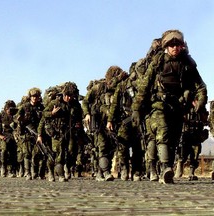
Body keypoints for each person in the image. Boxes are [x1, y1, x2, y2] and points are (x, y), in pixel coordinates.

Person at [131, 29, 208, 184]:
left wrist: (201, 101)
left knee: (174, 139)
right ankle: (165, 167)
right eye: (172, 45)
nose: (175, 48)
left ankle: (166, 169)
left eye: (177, 44)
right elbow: (144, 86)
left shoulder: (187, 64)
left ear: (182, 46)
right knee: (162, 133)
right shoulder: (158, 62)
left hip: (178, 107)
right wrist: (136, 108)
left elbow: (200, 86)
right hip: (158, 105)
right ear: (166, 46)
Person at [82, 66, 126, 181]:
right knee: (102, 146)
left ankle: (100, 172)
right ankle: (106, 172)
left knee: (111, 148)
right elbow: (86, 101)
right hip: (99, 122)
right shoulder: (98, 88)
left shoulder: (119, 89)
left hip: (113, 123)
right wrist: (87, 114)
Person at [37, 82, 83, 182]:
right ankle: (54, 173)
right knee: (58, 154)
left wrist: (80, 132)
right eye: (67, 95)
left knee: (71, 152)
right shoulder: (55, 103)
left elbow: (79, 118)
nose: (69, 98)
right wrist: (52, 113)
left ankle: (66, 168)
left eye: (71, 96)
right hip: (57, 133)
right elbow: (44, 115)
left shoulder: (76, 105)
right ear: (63, 94)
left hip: (70, 133)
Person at [15, 87, 45, 180]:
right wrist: (20, 119)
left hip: (37, 132)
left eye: (36, 96)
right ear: (30, 97)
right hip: (26, 133)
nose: (34, 98)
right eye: (33, 96)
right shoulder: (25, 107)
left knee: (37, 153)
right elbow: (16, 118)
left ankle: (34, 172)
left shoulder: (41, 107)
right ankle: (27, 172)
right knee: (27, 153)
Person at [0, 100, 18, 177]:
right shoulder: (1, 115)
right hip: (3, 136)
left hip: (12, 136)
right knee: (4, 149)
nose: (10, 111)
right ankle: (3, 167)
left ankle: (11, 170)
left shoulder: (15, 115)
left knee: (13, 152)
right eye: (8, 109)